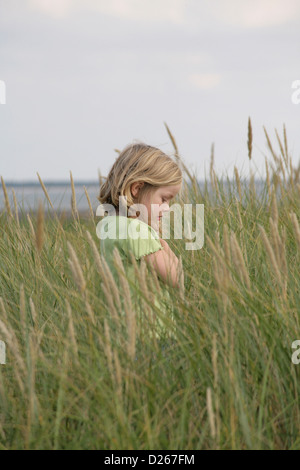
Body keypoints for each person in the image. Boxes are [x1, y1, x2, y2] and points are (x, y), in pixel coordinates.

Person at [96, 142, 183, 341]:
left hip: (123, 334)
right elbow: (177, 278)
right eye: (164, 199)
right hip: (151, 335)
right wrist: (163, 244)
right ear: (136, 188)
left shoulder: (111, 224)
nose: (167, 208)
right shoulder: (136, 230)